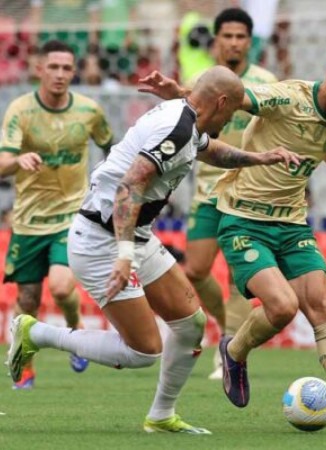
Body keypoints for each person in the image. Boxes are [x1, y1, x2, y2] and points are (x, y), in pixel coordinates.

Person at [7, 65, 301, 434]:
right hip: (104, 241)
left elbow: (210, 150)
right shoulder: (177, 127)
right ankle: (36, 333)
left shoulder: (187, 120)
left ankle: (161, 416)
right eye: (234, 111)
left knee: (190, 324)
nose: (233, 119)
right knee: (143, 351)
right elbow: (129, 186)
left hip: (133, 235)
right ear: (222, 102)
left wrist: (258, 158)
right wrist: (125, 254)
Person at [138, 46, 326, 432]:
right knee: (281, 307)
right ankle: (234, 349)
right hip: (244, 220)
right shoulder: (285, 96)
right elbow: (228, 98)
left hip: (293, 224)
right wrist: (180, 93)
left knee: (322, 304)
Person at [0, 40, 114, 389]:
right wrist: (18, 160)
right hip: (28, 221)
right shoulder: (20, 110)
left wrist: (107, 188)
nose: (60, 74)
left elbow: (112, 147)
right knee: (28, 300)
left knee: (63, 287)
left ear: (74, 71)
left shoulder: (90, 110)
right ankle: (26, 365)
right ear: (39, 69)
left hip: (72, 217)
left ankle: (76, 330)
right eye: (54, 67)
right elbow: (2, 162)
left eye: (67, 68)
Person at [183, 7, 278, 381]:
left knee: (240, 275)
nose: (234, 42)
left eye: (241, 36)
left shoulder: (266, 82)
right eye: (228, 36)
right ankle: (227, 324)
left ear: (249, 42)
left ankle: (227, 349)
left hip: (249, 191)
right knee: (196, 269)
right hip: (207, 189)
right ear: (217, 40)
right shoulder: (199, 81)